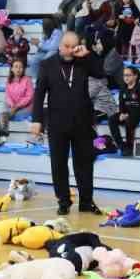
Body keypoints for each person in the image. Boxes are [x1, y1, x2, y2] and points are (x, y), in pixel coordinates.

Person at [29, 30, 105, 217]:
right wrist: (37, 120)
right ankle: (63, 201)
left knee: (85, 164)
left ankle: (86, 202)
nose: (70, 50)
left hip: (82, 121)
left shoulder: (84, 61)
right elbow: (39, 94)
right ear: (60, 45)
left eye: (73, 47)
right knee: (58, 164)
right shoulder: (47, 64)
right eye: (66, 46)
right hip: (56, 122)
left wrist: (87, 54)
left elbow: (102, 72)